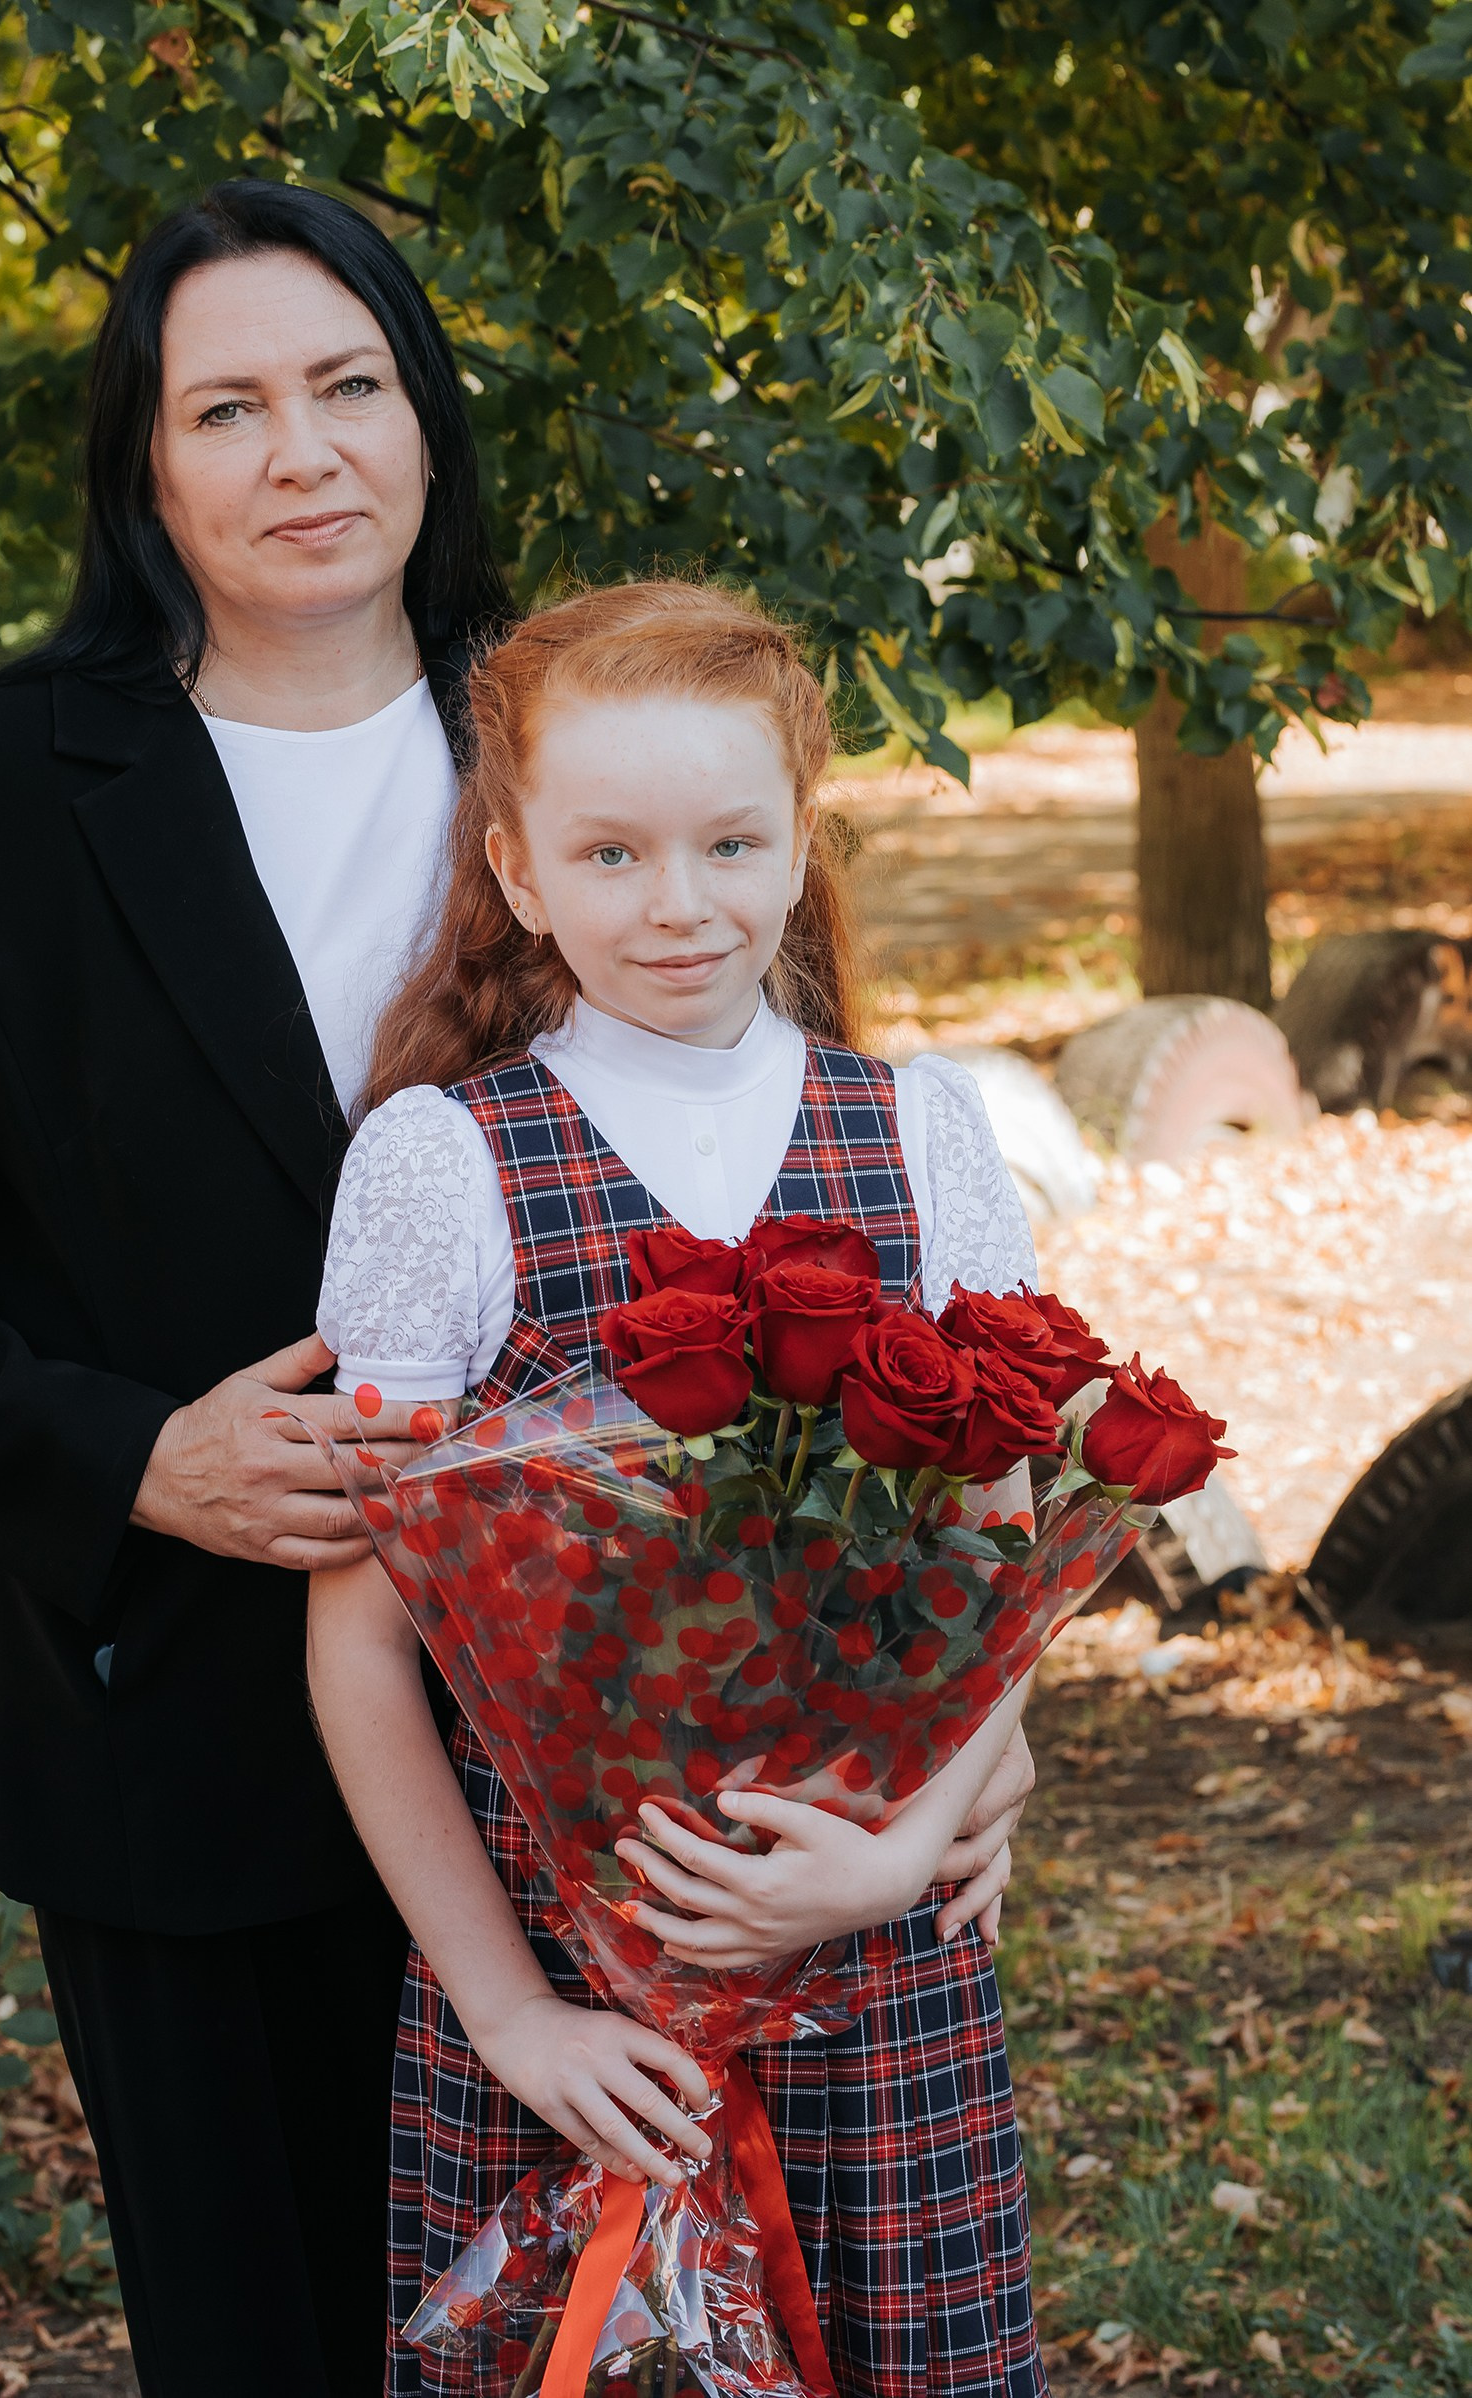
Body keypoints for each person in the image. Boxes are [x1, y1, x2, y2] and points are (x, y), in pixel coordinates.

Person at [0, 179, 513, 2398]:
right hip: (190, 1741)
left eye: (350, 385)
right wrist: (132, 1453)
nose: (304, 451)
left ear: (425, 419)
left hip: (591, 1738)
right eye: (229, 406)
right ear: (146, 469)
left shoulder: (585, 734)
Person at [307, 581, 1048, 2398]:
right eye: (612, 851)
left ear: (803, 841)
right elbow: (360, 1643)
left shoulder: (920, 1128)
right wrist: (509, 2010)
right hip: (582, 1987)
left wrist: (905, 1838)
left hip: (876, 1959)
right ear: (520, 865)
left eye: (731, 840)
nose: (679, 900)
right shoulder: (444, 1163)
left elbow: (1001, 1560)